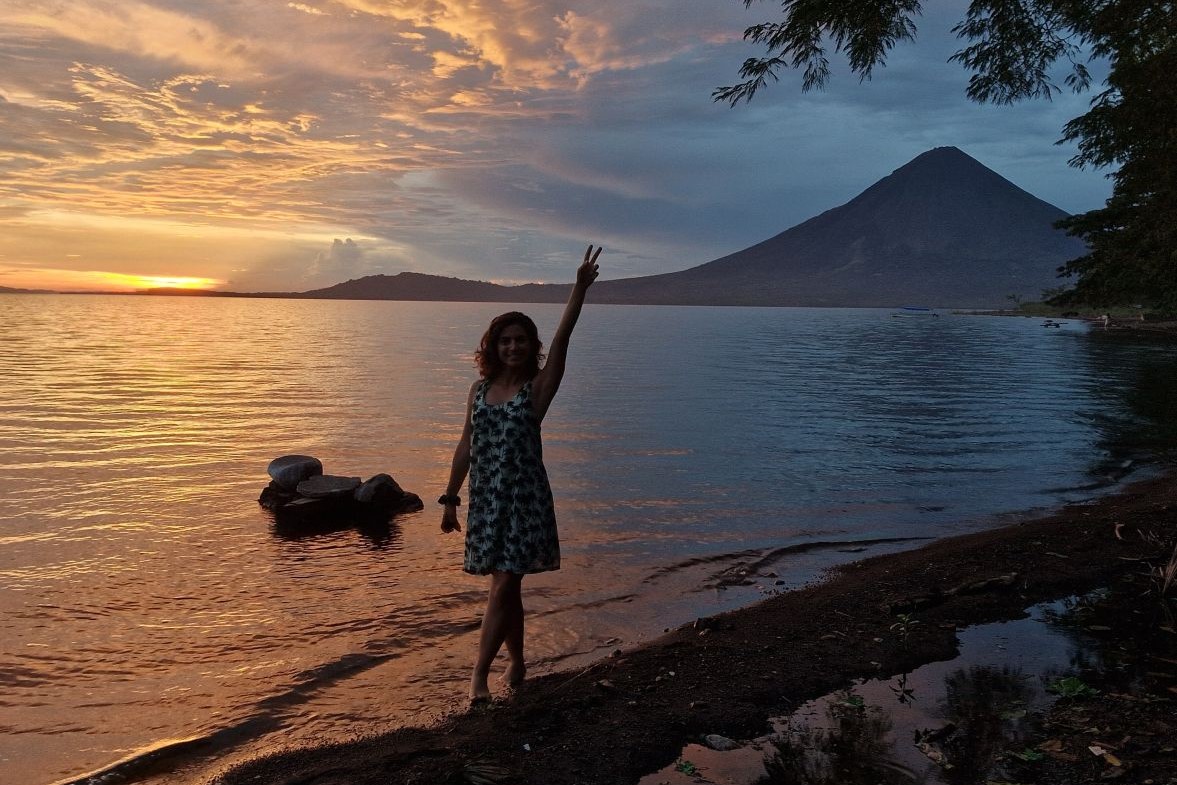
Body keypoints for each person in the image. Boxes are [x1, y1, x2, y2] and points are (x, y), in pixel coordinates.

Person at [440, 244, 602, 701]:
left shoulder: (538, 389)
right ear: (493, 345)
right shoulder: (479, 388)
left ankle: (478, 677)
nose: (512, 346)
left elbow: (564, 337)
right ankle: (519, 660)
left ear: (532, 347)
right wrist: (451, 498)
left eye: (521, 340)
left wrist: (579, 288)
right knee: (503, 587)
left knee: (506, 582)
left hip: (524, 500)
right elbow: (466, 444)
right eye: (504, 340)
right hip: (487, 500)